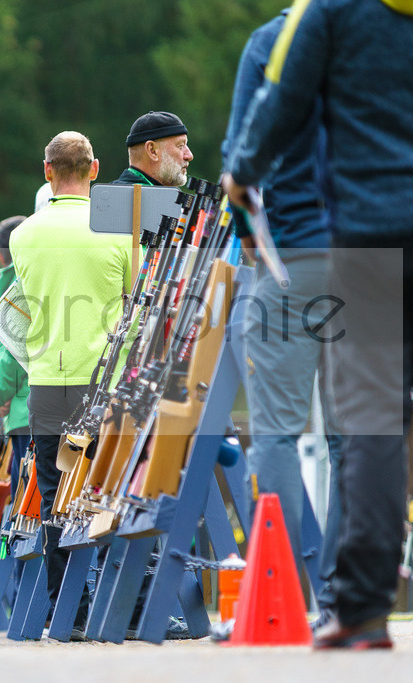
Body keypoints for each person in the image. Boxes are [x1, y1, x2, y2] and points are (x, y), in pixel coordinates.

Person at [223, 0, 413, 650]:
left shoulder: (317, 19)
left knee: (323, 424)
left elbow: (270, 111)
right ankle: (344, 592)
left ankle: (328, 603)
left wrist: (241, 179)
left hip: (341, 241)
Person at [221, 7, 342, 631]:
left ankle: (285, 599)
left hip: (290, 255)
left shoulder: (273, 39)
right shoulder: (389, 32)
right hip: (373, 253)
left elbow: (239, 153)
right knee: (361, 438)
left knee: (274, 434)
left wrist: (249, 237)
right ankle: (353, 603)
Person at [9, 131, 132, 623]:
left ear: (46, 172)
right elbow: (132, 303)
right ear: (95, 169)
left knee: (55, 495)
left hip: (46, 378)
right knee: (107, 491)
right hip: (104, 377)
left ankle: (69, 610)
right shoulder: (119, 230)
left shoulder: (23, 235)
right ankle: (116, 601)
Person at [0, 216, 31, 488]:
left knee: (24, 499)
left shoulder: (1, 294)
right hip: (54, 405)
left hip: (22, 410)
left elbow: (7, 354)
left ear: (1, 257)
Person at [113, 111, 193, 187]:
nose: (189, 156)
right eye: (180, 145)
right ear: (152, 151)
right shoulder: (154, 199)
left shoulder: (109, 196)